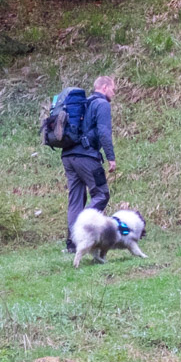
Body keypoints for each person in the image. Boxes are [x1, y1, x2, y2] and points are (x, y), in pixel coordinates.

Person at [60, 75, 117, 252]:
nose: (114, 93)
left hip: (69, 156)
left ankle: (72, 244)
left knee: (75, 200)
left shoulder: (84, 104)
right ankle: (83, 229)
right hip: (86, 157)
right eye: (114, 89)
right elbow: (103, 132)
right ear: (105, 87)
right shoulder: (102, 104)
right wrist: (111, 157)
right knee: (101, 194)